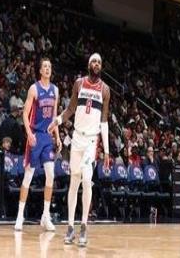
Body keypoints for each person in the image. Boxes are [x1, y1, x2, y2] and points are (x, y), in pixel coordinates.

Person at [48, 53, 111, 247]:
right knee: (74, 182)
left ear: (101, 66)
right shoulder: (79, 83)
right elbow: (70, 109)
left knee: (87, 179)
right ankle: (70, 226)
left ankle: (83, 225)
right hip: (77, 138)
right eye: (94, 61)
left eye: (99, 62)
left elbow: (104, 121)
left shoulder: (105, 89)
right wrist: (57, 120)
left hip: (91, 140)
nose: (96, 64)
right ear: (89, 64)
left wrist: (107, 151)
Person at [14, 58, 61, 231]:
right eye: (45, 67)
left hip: (47, 137)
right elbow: (25, 114)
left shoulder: (55, 90)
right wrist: (29, 133)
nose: (47, 69)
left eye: (49, 66)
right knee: (28, 175)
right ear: (40, 70)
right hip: (35, 136)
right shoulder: (34, 88)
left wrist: (57, 137)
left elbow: (54, 116)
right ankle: (20, 216)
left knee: (51, 175)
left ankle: (45, 216)